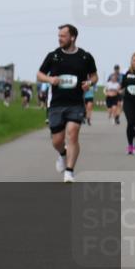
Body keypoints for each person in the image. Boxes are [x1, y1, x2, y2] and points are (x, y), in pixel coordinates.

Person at [36, 24, 98, 183]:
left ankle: (69, 171)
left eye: (63, 36)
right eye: (59, 36)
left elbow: (94, 76)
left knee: (73, 134)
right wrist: (50, 79)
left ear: (72, 37)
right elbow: (39, 74)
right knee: (57, 141)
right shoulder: (53, 56)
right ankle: (62, 154)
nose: (59, 38)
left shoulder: (85, 56)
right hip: (56, 104)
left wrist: (89, 84)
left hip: (76, 103)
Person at [122, 54, 135, 155]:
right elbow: (121, 85)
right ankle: (130, 145)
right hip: (129, 102)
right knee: (131, 122)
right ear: (131, 61)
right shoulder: (127, 73)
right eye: (134, 60)